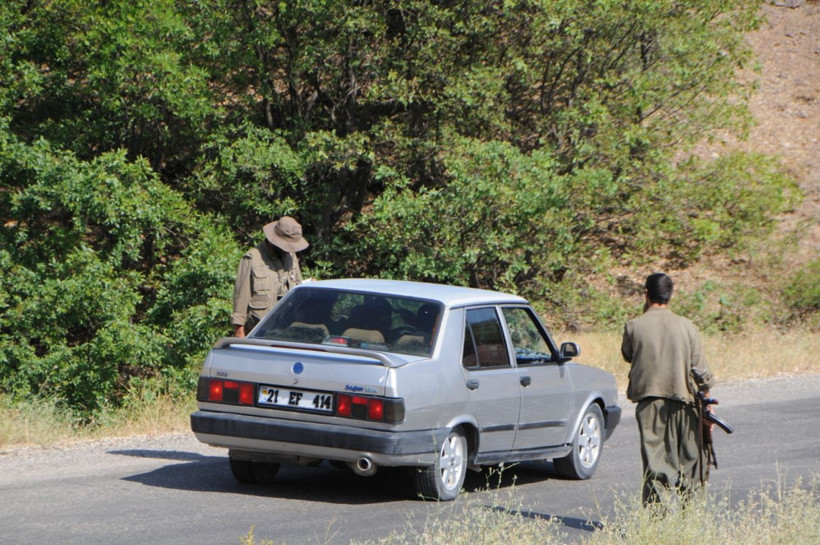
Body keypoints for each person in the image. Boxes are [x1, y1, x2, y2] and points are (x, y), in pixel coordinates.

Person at [621, 272, 715, 505]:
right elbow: (701, 372)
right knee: (691, 464)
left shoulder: (634, 326)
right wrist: (708, 410)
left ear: (646, 294)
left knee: (655, 466)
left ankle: (658, 525)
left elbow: (628, 355)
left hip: (650, 405)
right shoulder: (687, 326)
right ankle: (690, 522)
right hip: (686, 402)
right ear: (670, 296)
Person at [231, 216, 309, 338]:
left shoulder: (291, 257)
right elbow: (240, 298)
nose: (288, 250)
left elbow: (297, 285)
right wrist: (239, 332)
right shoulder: (252, 259)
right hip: (259, 332)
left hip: (288, 330)